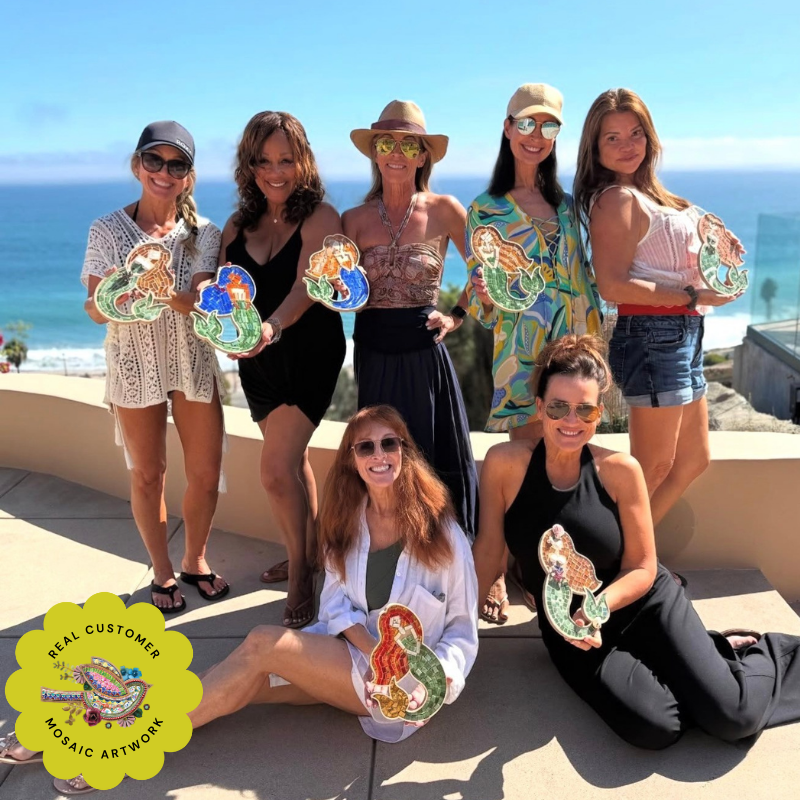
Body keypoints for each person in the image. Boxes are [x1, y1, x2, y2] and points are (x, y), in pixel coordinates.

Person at [472, 334, 800, 749]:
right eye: (558, 406)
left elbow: (644, 567)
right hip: (570, 628)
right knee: (657, 729)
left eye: (585, 409)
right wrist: (461, 632)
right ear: (539, 407)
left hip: (640, 603)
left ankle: (765, 655)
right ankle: (709, 658)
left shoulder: (620, 470)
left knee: (733, 718)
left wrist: (599, 606)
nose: (571, 420)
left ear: (598, 415)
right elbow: (488, 552)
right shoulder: (505, 464)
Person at [465, 84, 603, 623]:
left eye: (548, 127)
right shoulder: (486, 211)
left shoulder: (568, 207)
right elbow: (485, 306)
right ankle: (496, 569)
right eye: (526, 124)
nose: (536, 136)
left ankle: (541, 568)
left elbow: (584, 281)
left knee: (561, 466)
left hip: (574, 358)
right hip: (521, 360)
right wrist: (478, 296)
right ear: (507, 128)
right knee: (519, 469)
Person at [573, 88, 740, 529]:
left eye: (635, 133)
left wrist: (720, 255)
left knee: (693, 460)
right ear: (595, 147)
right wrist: (692, 296)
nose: (628, 145)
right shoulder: (614, 199)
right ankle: (610, 566)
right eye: (612, 138)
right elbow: (612, 285)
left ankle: (635, 559)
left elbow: (682, 254)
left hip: (684, 334)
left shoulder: (649, 193)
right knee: (652, 468)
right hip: (653, 334)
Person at [80, 121, 228, 614]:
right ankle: (162, 573)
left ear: (189, 175)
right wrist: (123, 294)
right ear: (136, 165)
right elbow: (96, 308)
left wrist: (164, 293)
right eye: (154, 161)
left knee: (206, 473)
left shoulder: (205, 234)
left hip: (192, 360)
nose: (164, 172)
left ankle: (196, 559)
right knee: (148, 475)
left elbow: (204, 302)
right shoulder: (106, 229)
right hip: (133, 362)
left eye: (177, 164)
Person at [221, 111, 346, 627]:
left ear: (303, 162)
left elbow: (305, 289)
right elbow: (223, 291)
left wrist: (268, 329)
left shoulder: (321, 216)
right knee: (292, 466)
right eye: (264, 161)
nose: (276, 171)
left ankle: (302, 580)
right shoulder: (237, 223)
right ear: (249, 166)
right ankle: (312, 555)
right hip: (258, 358)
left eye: (286, 160)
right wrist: (226, 330)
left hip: (307, 353)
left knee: (274, 472)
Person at [341, 100, 478, 541]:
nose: (396, 152)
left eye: (408, 144)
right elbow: (336, 286)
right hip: (373, 353)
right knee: (380, 461)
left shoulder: (445, 209)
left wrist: (456, 316)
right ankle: (389, 555)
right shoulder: (354, 219)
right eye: (386, 142)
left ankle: (456, 558)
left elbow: (485, 270)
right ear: (375, 153)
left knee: (433, 457)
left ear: (423, 155)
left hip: (424, 355)